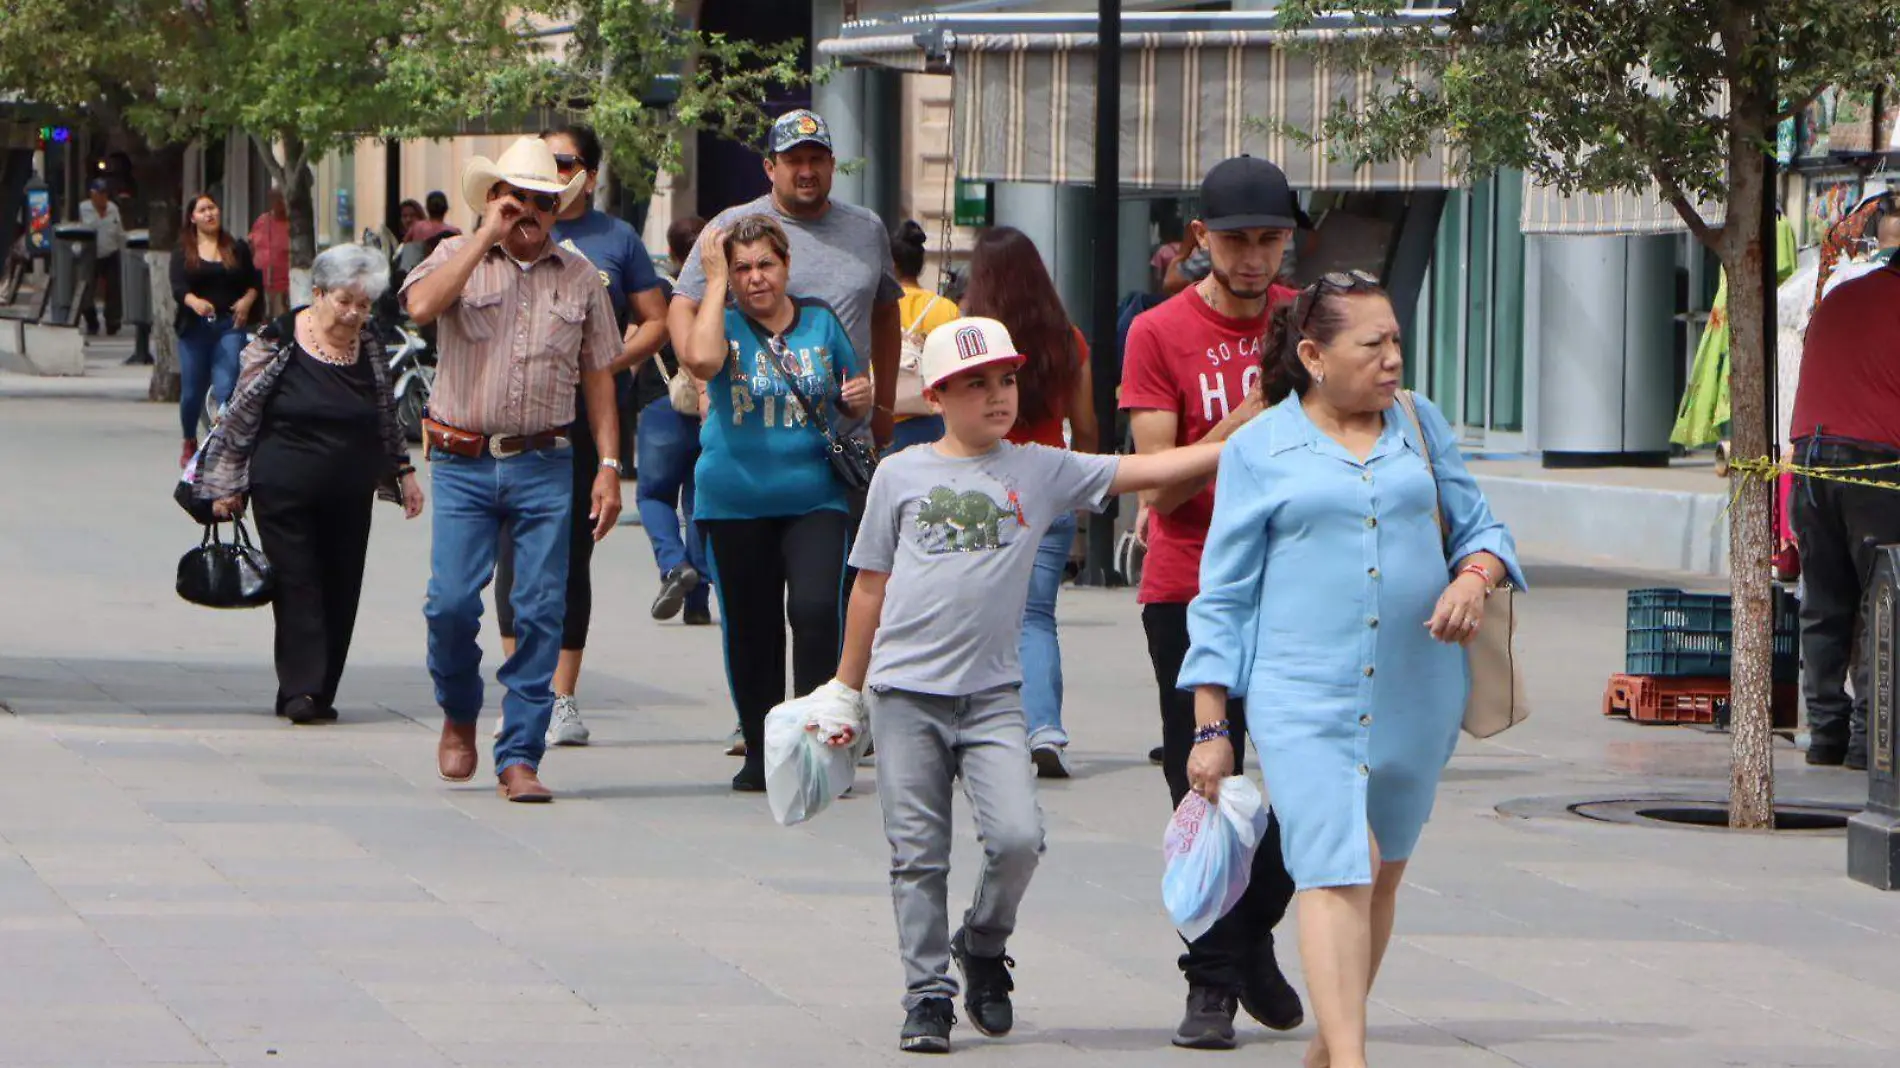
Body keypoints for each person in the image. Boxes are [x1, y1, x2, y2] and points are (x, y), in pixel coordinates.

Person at [832, 316, 1229, 1054]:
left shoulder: (1040, 469)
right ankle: (926, 995)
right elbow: (868, 587)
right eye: (975, 384)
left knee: (1018, 837)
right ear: (940, 396)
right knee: (917, 855)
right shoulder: (901, 473)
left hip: (992, 699)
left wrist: (1236, 443)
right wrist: (842, 691)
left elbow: (1138, 470)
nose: (996, 396)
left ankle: (982, 943)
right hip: (904, 696)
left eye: (1006, 381)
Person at [1180, 271, 1523, 1068]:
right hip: (1302, 693)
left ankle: (1331, 1051)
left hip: (1417, 690)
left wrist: (1473, 579)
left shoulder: (1418, 422)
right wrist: (1211, 725)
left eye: (1396, 339)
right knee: (1340, 866)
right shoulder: (1259, 448)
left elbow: (1484, 529)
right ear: (1313, 355)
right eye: (1373, 345)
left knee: (1382, 875)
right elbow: (1221, 597)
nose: (1393, 359)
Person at [1120, 155, 1306, 1049]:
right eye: (1237, 240)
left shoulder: (1313, 321)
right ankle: (1213, 984)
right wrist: (1251, 417)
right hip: (1190, 585)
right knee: (1204, 779)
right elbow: (1158, 488)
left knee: (1311, 784)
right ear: (1201, 240)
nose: (1255, 257)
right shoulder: (1158, 333)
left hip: (1300, 585)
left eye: (1271, 238)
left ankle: (1252, 932)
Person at [400, 137, 624, 803]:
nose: (529, 211)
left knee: (540, 610)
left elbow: (600, 379)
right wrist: (483, 236)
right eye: (516, 197)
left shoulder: (581, 278)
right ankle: (460, 712)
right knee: (448, 605)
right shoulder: (452, 255)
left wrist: (609, 464)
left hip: (545, 463)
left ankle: (520, 754)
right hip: (463, 461)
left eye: (544, 201)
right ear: (495, 197)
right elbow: (418, 308)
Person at [488, 123, 668, 748]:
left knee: (569, 562)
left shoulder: (615, 240)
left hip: (587, 424)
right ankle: (523, 687)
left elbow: (656, 318)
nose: (553, 173)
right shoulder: (512, 225)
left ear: (589, 172)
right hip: (513, 422)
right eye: (545, 161)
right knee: (510, 564)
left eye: (564, 162)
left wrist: (607, 361)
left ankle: (560, 695)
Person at [677, 215, 871, 792]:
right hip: (735, 500)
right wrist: (713, 285)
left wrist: (860, 398)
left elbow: (851, 393)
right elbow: (704, 363)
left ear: (786, 265)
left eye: (765, 264)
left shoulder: (820, 320)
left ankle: (814, 744)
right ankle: (762, 750)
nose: (755, 278)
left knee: (814, 613)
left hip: (814, 497)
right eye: (742, 269)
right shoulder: (725, 322)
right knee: (752, 626)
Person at [194, 245, 426, 723]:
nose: (354, 313)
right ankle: (299, 689)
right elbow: (239, 413)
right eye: (345, 301)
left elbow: (385, 415)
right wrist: (226, 484)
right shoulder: (279, 339)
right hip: (283, 483)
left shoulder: (371, 345)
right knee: (298, 582)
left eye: (363, 305)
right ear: (317, 293)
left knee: (341, 586)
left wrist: (403, 472)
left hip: (350, 487)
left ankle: (321, 689)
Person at [669, 109, 902, 448]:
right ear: (770, 168)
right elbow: (682, 306)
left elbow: (885, 314)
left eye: (816, 159)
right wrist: (703, 388)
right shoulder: (732, 227)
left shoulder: (867, 228)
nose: (807, 171)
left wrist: (884, 405)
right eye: (794, 161)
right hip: (755, 441)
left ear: (832, 165)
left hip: (847, 443)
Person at [958, 226, 1099, 779]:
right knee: (1037, 618)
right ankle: (1045, 729)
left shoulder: (968, 337)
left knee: (975, 613)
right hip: (1049, 486)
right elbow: (1086, 427)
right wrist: (1079, 490)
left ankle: (975, 730)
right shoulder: (1070, 340)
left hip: (984, 487)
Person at [1789, 253, 1900, 771]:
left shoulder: (1842, 296)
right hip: (1875, 466)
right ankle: (1865, 742)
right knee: (1882, 604)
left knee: (1826, 601)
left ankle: (1826, 735)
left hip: (1812, 462)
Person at [635, 215, 714, 627]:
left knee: (653, 496)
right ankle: (698, 598)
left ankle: (672, 563)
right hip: (711, 408)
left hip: (660, 404)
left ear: (672, 253)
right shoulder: (719, 292)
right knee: (700, 503)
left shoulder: (658, 293)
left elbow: (633, 343)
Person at [171, 193, 261, 469]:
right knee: (192, 393)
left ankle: (222, 444)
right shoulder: (183, 252)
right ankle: (189, 439)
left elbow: (253, 282)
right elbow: (178, 288)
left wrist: (247, 301)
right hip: (194, 330)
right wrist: (195, 302)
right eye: (202, 210)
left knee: (226, 387)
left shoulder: (236, 248)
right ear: (192, 217)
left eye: (212, 208)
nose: (209, 213)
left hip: (228, 326)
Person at [887, 219, 962, 452]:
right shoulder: (946, 309)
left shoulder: (879, 306)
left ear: (891, 264)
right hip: (932, 417)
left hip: (886, 417)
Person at [79, 178, 124, 336]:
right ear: (92, 194)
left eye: (104, 193)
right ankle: (91, 321)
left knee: (114, 289)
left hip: (110, 252)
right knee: (86, 289)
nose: (102, 197)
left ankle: (113, 322)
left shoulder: (113, 209)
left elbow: (119, 232)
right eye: (99, 193)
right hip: (89, 254)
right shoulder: (83, 208)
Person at [249, 188, 292, 321]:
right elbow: (251, 244)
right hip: (261, 284)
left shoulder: (292, 225)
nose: (279, 203)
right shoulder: (263, 221)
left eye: (282, 199)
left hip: (284, 286)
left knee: (281, 321)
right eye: (275, 200)